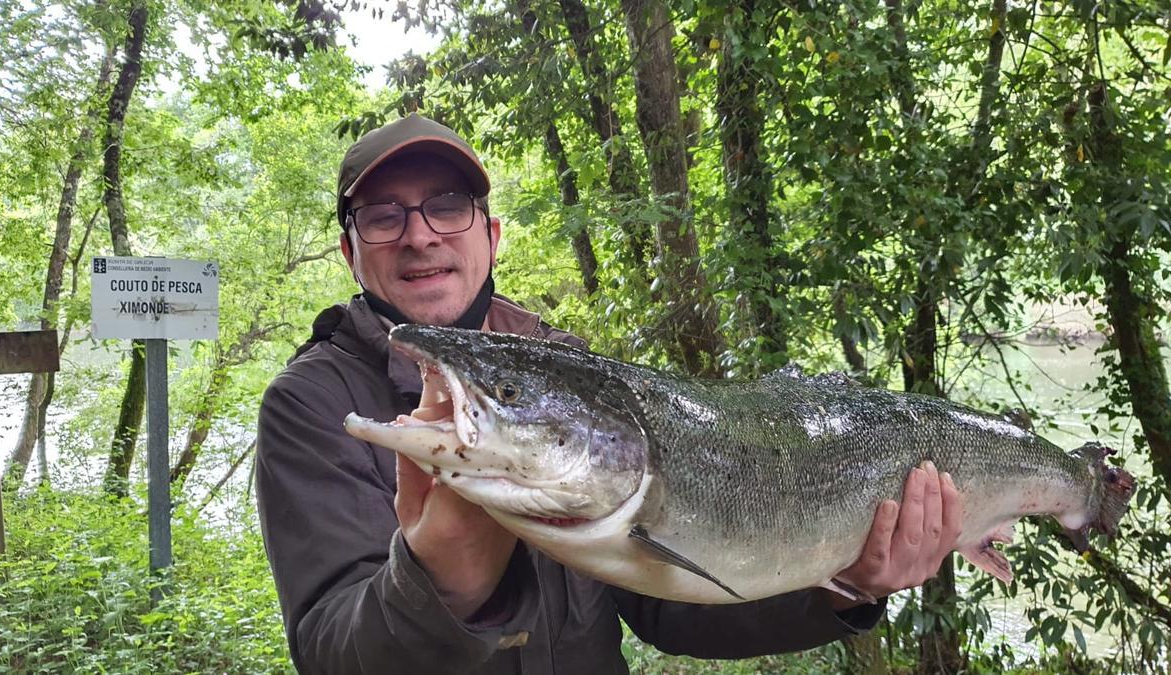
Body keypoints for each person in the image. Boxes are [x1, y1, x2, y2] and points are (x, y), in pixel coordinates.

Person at [255, 113, 964, 674]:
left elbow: (674, 608)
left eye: (446, 206)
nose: (419, 236)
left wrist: (846, 584)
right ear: (350, 251)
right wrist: (442, 581)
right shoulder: (309, 402)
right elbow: (330, 650)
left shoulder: (571, 368)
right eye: (384, 216)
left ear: (491, 236)